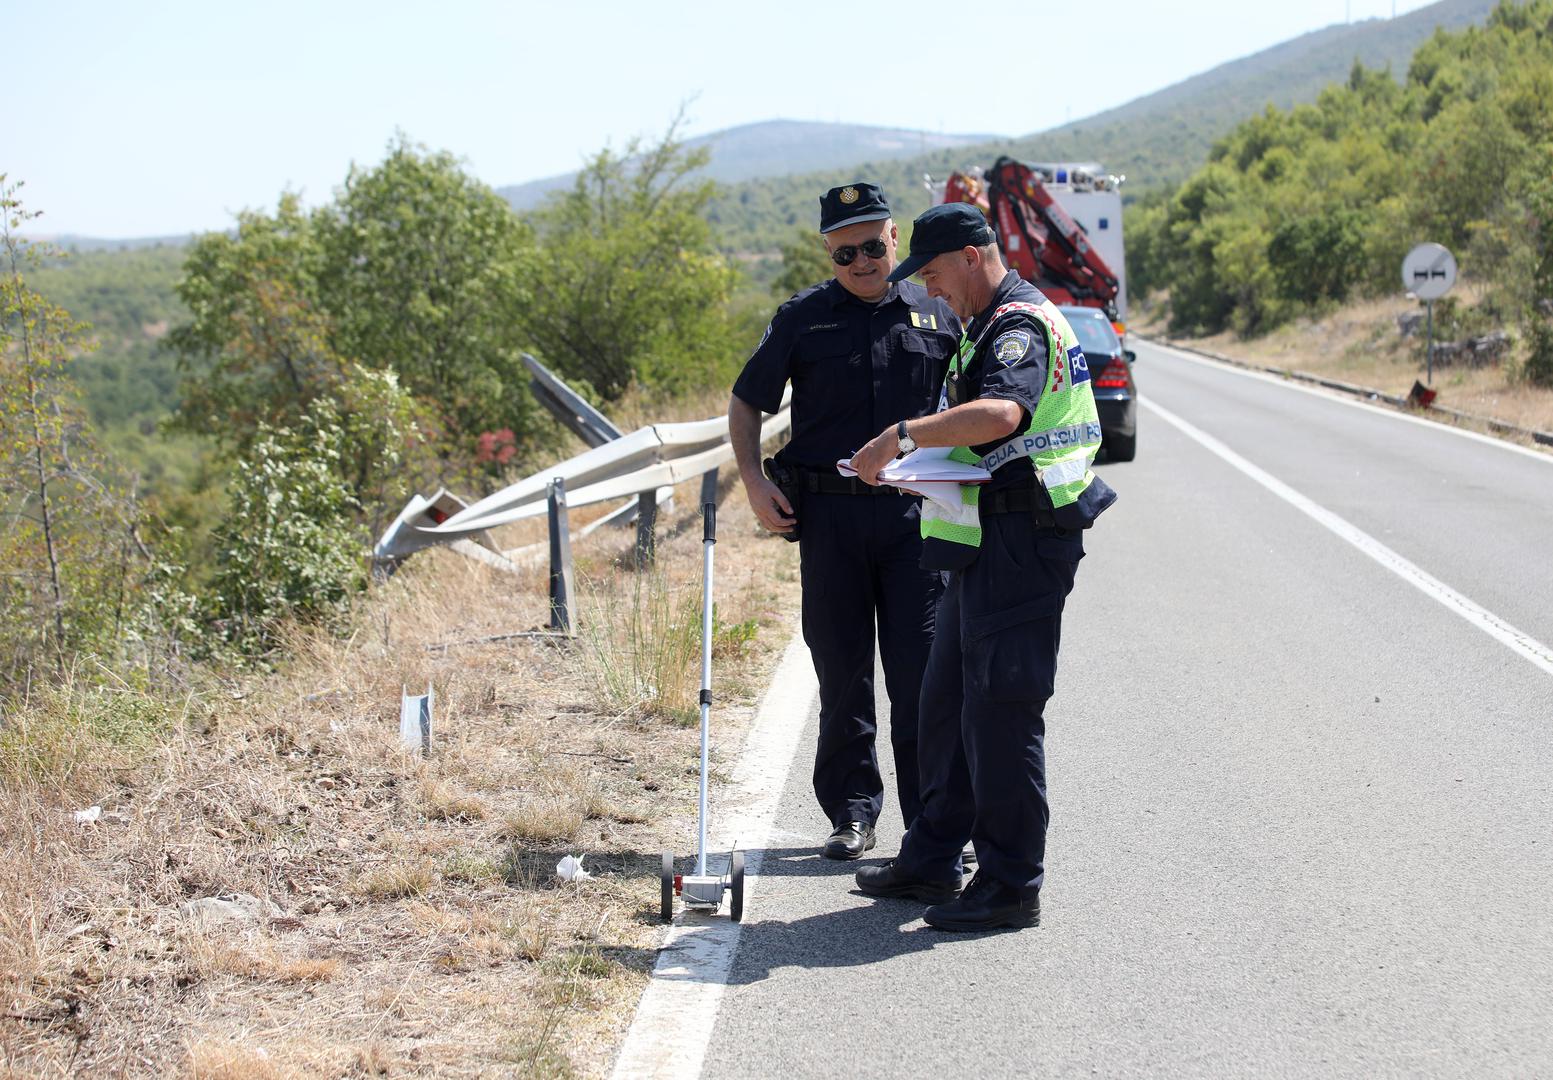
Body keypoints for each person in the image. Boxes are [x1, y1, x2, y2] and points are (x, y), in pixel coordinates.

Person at [847, 202, 1117, 930]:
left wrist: (901, 437)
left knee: (999, 714)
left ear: (971, 256)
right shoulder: (984, 326)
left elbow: (1001, 416)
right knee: (944, 706)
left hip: (1023, 539)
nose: (929, 292)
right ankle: (932, 858)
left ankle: (1009, 885)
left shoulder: (1019, 326)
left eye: (932, 274)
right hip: (983, 540)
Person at [728, 183, 960, 859]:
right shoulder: (802, 318)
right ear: (827, 253)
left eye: (871, 245)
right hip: (828, 523)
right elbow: (746, 403)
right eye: (844, 252)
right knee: (842, 672)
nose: (860, 261)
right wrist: (752, 481)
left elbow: (976, 404)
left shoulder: (936, 311)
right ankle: (852, 813)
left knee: (921, 677)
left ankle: (931, 822)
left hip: (915, 522)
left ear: (895, 239)